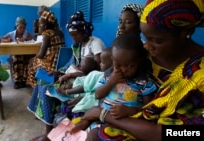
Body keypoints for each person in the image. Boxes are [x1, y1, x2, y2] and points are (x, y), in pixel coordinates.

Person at [71, 1, 204, 141]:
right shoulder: (141, 56)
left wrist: (103, 114)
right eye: (146, 38)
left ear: (186, 32)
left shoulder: (198, 75)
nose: (148, 46)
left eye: (157, 41)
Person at [27, 11, 106, 141]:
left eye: (75, 34)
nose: (73, 38)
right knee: (42, 82)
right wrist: (59, 72)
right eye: (71, 35)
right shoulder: (79, 45)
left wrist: (75, 74)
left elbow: (99, 68)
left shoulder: (95, 43)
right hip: (75, 76)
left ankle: (48, 133)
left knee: (47, 89)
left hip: (87, 80)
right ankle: (47, 125)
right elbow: (72, 63)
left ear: (84, 31)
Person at [71, 33, 158, 135]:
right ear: (112, 60)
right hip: (101, 119)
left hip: (127, 124)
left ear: (139, 62)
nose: (124, 70)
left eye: (130, 66)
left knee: (94, 135)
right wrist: (111, 82)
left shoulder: (143, 81)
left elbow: (147, 108)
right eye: (118, 65)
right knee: (82, 131)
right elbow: (98, 95)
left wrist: (131, 110)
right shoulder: (108, 75)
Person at [26, 11, 65, 88]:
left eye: (41, 24)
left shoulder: (47, 34)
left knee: (31, 62)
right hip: (59, 61)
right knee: (34, 60)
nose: (39, 25)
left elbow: (41, 55)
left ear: (46, 25)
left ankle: (36, 87)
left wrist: (34, 56)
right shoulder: (60, 32)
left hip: (49, 64)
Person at [1, 16, 34, 89]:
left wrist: (26, 40)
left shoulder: (26, 33)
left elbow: (33, 40)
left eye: (24, 28)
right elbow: (1, 39)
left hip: (24, 54)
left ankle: (23, 80)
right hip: (14, 54)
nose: (22, 30)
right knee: (16, 59)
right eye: (20, 28)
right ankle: (17, 81)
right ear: (16, 26)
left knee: (26, 60)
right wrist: (8, 40)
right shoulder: (11, 34)